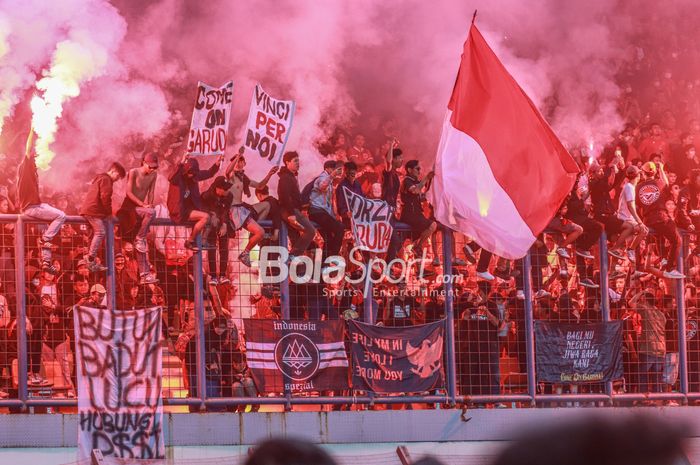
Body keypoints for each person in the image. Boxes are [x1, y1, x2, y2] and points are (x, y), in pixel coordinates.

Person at [17, 128, 66, 275]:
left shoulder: (33, 171)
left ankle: (46, 261)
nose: (37, 157)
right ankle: (46, 240)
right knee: (61, 216)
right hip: (31, 208)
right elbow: (28, 148)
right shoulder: (26, 166)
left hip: (35, 206)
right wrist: (32, 129)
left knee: (45, 225)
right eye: (35, 156)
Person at [224, 148, 278, 266]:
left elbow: (260, 185)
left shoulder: (244, 178)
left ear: (244, 163)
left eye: (241, 161)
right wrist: (238, 155)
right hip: (235, 211)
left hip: (242, 209)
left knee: (267, 206)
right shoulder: (231, 177)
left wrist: (270, 174)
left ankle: (249, 244)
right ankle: (245, 252)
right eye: (236, 161)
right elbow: (228, 171)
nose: (238, 163)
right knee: (261, 232)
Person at [635, 162, 684, 279]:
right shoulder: (659, 182)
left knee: (659, 236)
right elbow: (667, 184)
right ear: (655, 172)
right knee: (677, 240)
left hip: (647, 220)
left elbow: (637, 204)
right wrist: (661, 168)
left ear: (643, 173)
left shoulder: (638, 187)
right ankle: (670, 268)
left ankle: (663, 259)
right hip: (661, 217)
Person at [167, 153, 223, 251]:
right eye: (190, 173)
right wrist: (181, 162)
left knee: (208, 216)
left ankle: (197, 241)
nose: (191, 175)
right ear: (185, 170)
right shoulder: (178, 177)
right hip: (179, 210)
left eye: (193, 173)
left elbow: (209, 173)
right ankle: (190, 241)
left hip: (190, 209)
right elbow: (171, 177)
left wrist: (217, 163)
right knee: (205, 217)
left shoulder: (195, 176)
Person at [79, 162, 127, 274]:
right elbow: (105, 197)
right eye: (118, 176)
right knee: (100, 232)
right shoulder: (106, 180)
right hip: (94, 211)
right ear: (113, 171)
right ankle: (90, 258)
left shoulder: (99, 178)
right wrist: (109, 213)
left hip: (88, 210)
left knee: (92, 237)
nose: (117, 179)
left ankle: (91, 263)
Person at [117, 152, 159, 279]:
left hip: (141, 209)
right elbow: (128, 192)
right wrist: (143, 205)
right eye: (150, 166)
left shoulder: (154, 175)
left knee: (141, 244)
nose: (152, 169)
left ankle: (144, 274)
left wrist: (150, 204)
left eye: (154, 167)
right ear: (144, 163)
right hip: (128, 208)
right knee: (141, 237)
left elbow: (151, 192)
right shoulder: (133, 172)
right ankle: (140, 237)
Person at [277, 151, 316, 260]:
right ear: (287, 162)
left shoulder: (291, 177)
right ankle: (293, 255)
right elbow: (284, 196)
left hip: (291, 211)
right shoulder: (285, 177)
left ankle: (297, 270)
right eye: (295, 161)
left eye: (298, 161)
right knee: (310, 231)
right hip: (289, 211)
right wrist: (291, 214)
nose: (298, 163)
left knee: (295, 238)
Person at [609, 166, 648, 264]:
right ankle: (627, 249)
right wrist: (639, 222)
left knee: (630, 239)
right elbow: (631, 206)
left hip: (626, 217)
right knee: (644, 230)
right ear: (637, 176)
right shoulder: (629, 187)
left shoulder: (629, 186)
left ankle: (621, 264)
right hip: (625, 218)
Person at [400, 160, 436, 258]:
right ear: (409, 169)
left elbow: (421, 197)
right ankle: (417, 247)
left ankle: (419, 266)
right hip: (410, 214)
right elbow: (415, 191)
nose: (419, 171)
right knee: (432, 225)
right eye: (417, 169)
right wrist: (426, 178)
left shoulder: (415, 182)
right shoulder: (407, 181)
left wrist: (431, 181)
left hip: (416, 214)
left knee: (416, 240)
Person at [309, 160, 345, 260]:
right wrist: (331, 176)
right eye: (333, 169)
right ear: (327, 168)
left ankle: (324, 263)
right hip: (316, 212)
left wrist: (334, 217)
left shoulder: (330, 181)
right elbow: (322, 186)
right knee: (339, 228)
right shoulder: (322, 177)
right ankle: (332, 258)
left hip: (322, 213)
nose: (335, 171)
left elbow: (327, 204)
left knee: (328, 239)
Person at [201, 176, 234, 283]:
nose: (227, 190)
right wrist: (212, 216)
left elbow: (226, 210)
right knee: (212, 248)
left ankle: (223, 275)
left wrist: (224, 224)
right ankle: (214, 276)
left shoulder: (229, 196)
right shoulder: (207, 196)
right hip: (211, 224)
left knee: (224, 248)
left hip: (222, 222)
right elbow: (203, 209)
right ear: (218, 188)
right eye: (225, 189)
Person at [336, 161, 363, 229]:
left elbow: (362, 198)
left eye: (354, 173)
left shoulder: (357, 184)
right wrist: (345, 213)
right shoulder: (342, 186)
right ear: (346, 173)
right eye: (350, 174)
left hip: (359, 216)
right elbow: (340, 204)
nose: (352, 176)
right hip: (348, 218)